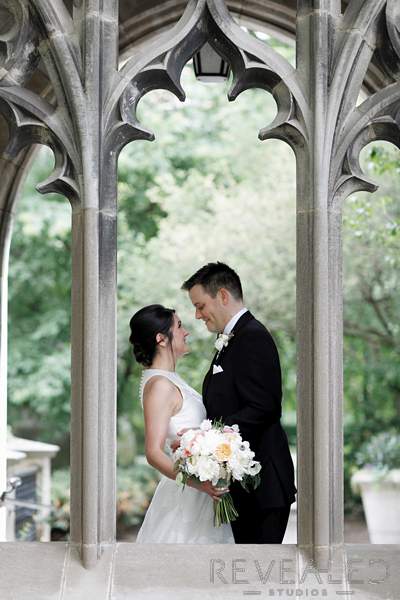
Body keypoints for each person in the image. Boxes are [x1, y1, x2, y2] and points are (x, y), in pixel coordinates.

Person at [181, 262, 297, 543]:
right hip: (245, 487)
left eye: (200, 305)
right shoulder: (232, 340)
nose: (197, 315)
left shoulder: (253, 337)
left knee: (258, 581)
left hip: (263, 487)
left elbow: (264, 408)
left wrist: (207, 439)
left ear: (222, 296)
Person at [128, 303, 234, 543]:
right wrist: (199, 484)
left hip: (200, 490)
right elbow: (153, 453)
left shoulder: (168, 379)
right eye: (179, 326)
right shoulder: (159, 386)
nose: (186, 332)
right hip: (187, 493)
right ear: (161, 339)